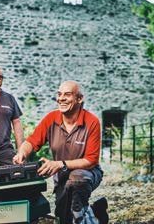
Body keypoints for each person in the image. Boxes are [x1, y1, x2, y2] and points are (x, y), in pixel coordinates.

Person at [13, 80, 108, 224]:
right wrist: (22, 153)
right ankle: (96, 211)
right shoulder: (51, 118)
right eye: (59, 94)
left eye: (67, 94)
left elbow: (91, 160)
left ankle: (81, 214)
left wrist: (60, 163)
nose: (61, 98)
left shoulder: (92, 121)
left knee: (77, 180)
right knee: (64, 218)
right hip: (62, 177)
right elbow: (31, 141)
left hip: (88, 173)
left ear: (79, 99)